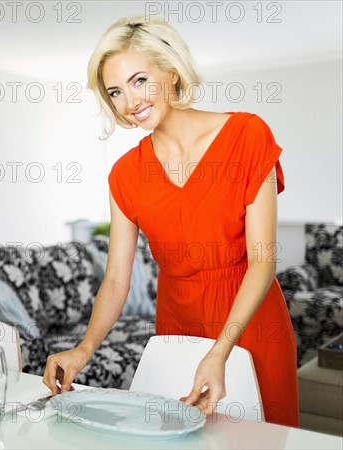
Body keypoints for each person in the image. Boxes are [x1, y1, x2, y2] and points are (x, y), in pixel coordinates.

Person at [42, 16, 299, 428]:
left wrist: (219, 352)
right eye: (115, 91)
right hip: (175, 331)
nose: (130, 101)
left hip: (250, 324)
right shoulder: (125, 174)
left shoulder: (247, 135)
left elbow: (263, 261)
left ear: (172, 70)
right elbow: (115, 279)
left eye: (140, 80)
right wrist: (83, 349)